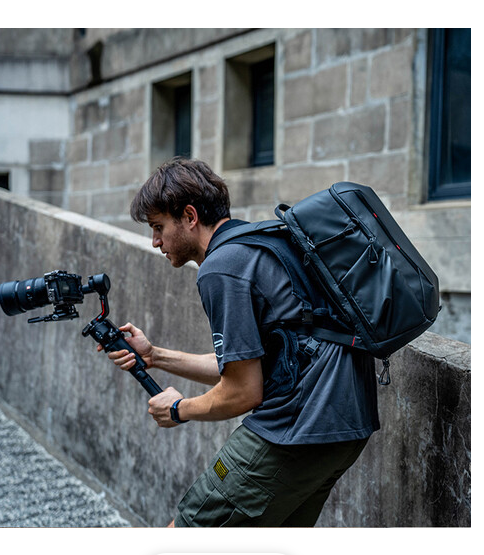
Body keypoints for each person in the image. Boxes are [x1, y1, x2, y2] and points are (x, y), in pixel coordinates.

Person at [100, 157, 380, 527]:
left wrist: (179, 409)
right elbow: (247, 366)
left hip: (294, 428)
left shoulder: (221, 267)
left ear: (189, 216)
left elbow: (243, 392)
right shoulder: (263, 242)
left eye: (158, 227)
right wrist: (155, 356)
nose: (155, 242)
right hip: (346, 428)